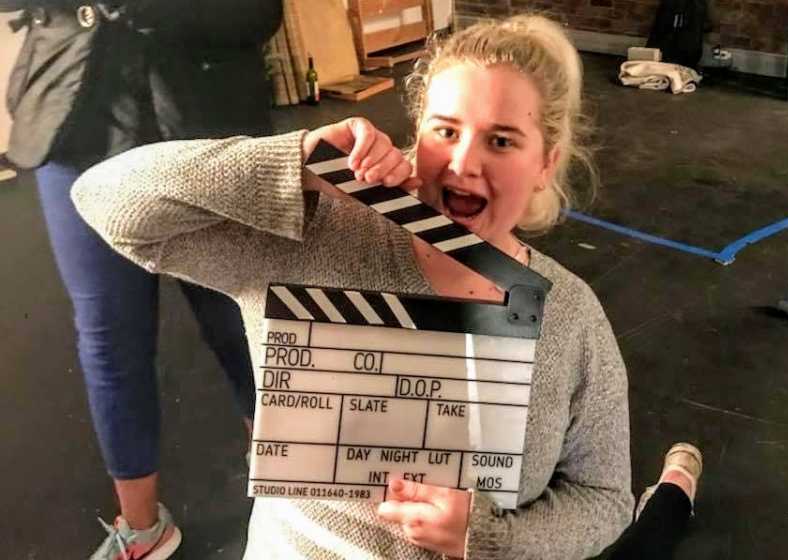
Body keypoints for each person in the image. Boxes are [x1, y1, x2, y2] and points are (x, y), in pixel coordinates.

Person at [73, 14, 701, 559]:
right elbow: (106, 200)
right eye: (445, 130)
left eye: (502, 140)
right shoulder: (314, 238)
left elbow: (602, 500)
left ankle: (677, 483)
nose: (463, 163)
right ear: (416, 133)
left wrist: (481, 540)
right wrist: (294, 163)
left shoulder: (568, 316)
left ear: (546, 162)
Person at [1, 1, 282, 557]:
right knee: (108, 338)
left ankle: (282, 475)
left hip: (206, 119)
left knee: (239, 314)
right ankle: (143, 530)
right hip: (74, 118)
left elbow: (257, 12)